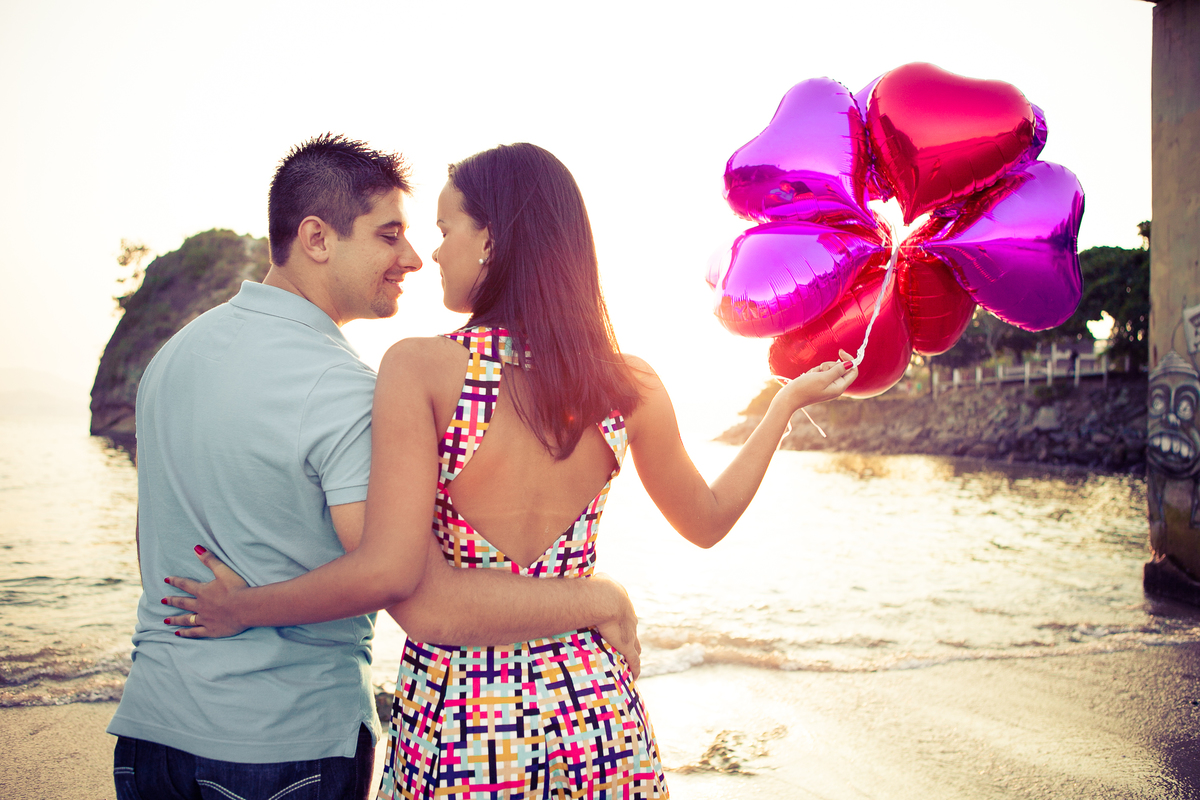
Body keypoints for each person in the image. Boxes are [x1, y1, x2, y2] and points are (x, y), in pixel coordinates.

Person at [163, 143, 857, 798]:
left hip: (466, 724)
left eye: (444, 227)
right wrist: (784, 407)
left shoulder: (422, 369)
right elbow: (707, 522)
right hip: (598, 716)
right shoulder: (629, 384)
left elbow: (425, 604)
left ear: (491, 240)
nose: (430, 251)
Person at [108, 134, 641, 800]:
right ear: (317, 238)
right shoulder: (344, 388)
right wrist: (599, 597)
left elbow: (151, 538)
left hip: (149, 735)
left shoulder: (171, 359)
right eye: (389, 236)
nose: (413, 258)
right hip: (282, 745)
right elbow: (404, 582)